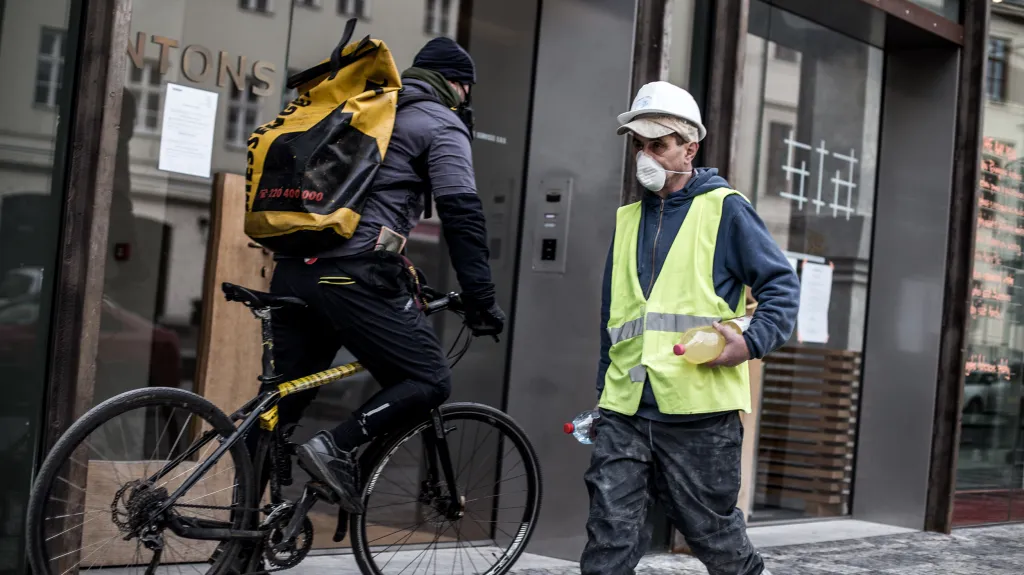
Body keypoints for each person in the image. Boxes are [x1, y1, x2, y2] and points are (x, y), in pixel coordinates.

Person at [262, 36, 505, 513]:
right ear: (459, 86)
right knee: (429, 380)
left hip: (293, 270)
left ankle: (243, 536)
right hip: (352, 275)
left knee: (280, 405)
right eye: (467, 91)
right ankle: (334, 446)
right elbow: (462, 215)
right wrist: (480, 298)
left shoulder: (362, 108)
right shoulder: (440, 121)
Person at [581, 81, 800, 575]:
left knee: (715, 541)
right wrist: (603, 396)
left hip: (699, 415)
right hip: (626, 411)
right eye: (639, 144)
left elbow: (781, 289)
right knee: (607, 542)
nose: (646, 155)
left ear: (689, 147)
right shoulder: (628, 218)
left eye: (658, 144)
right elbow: (614, 316)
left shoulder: (725, 208)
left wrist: (748, 343)